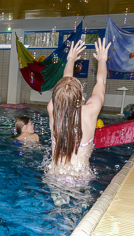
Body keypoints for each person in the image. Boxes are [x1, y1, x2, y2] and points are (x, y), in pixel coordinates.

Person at [47, 38, 110, 178]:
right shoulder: (90, 111)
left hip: (55, 175)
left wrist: (70, 59)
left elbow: (64, 85)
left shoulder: (52, 109)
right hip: (79, 177)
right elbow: (101, 82)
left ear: (56, 96)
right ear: (81, 98)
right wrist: (102, 60)